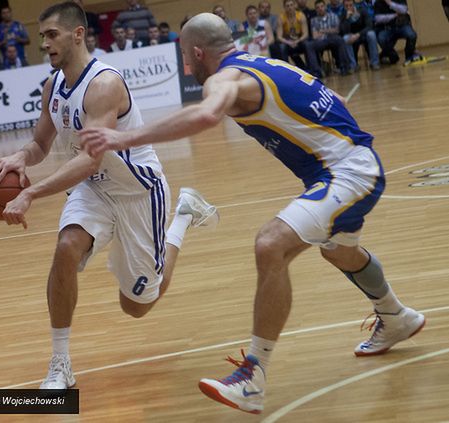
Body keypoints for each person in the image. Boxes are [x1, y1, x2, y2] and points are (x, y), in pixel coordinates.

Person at [80, 12, 425, 414]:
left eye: (186, 59)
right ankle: (396, 316)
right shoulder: (268, 64)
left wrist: (125, 136)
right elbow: (333, 100)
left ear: (195, 52)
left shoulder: (223, 78)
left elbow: (206, 115)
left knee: (270, 245)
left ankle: (252, 377)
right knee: (340, 252)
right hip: (352, 166)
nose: (187, 68)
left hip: (347, 173)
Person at [0, 2, 219, 390]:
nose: (45, 44)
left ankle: (183, 216)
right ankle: (60, 364)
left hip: (137, 192)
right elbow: (40, 144)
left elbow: (90, 161)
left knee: (138, 306)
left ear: (78, 34)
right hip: (94, 190)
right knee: (66, 247)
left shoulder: (104, 84)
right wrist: (20, 157)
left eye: (52, 34)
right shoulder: (52, 87)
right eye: (42, 36)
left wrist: (31, 194)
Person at [374, 0, 422, 65]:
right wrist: (394, 15)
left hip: (402, 26)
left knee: (412, 35)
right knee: (381, 38)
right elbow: (378, 19)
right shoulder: (378, 2)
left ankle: (409, 55)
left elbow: (403, 10)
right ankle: (393, 56)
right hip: (388, 28)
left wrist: (390, 3)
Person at [340, 0, 380, 70]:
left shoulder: (362, 11)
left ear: (354, 4)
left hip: (363, 34)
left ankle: (374, 63)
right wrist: (347, 19)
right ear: (343, 6)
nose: (349, 7)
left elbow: (369, 26)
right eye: (346, 6)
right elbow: (343, 31)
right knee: (345, 38)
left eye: (350, 5)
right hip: (351, 36)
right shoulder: (343, 15)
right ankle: (353, 65)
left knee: (371, 34)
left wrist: (358, 34)